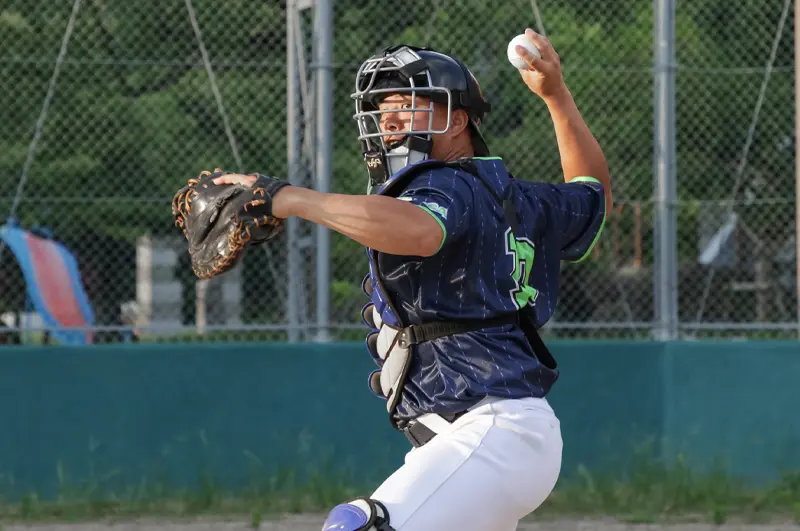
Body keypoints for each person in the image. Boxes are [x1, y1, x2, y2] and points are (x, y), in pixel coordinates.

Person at [214, 29, 611, 531]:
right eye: (382, 109)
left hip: (489, 433)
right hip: (485, 441)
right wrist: (556, 97)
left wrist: (288, 198)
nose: (389, 119)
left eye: (406, 103)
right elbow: (592, 193)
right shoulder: (519, 198)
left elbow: (421, 230)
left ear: (458, 120)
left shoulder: (445, 183)